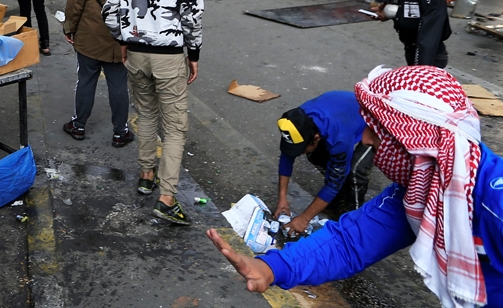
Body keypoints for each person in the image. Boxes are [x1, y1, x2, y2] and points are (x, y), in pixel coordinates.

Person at [208, 65, 503, 308]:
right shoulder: (420, 191)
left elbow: (338, 190)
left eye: (377, 130)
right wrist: (273, 268)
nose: (364, 139)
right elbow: (349, 242)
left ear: (417, 141)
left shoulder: (496, 204)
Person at [102, 0, 203, 225]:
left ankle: (147, 176)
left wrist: (122, 40)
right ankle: (167, 198)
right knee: (174, 127)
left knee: (145, 114)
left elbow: (109, 10)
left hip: (135, 52)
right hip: (169, 56)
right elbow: (193, 17)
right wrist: (194, 54)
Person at [62, 0, 138, 147]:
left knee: (86, 79)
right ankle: (120, 132)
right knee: (118, 82)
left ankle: (79, 125)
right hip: (120, 34)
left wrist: (70, 27)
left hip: (90, 31)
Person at [273, 91, 374, 235]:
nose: (300, 153)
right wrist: (282, 199)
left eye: (302, 148)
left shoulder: (339, 138)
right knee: (315, 155)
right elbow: (286, 158)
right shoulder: (296, 123)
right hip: (340, 109)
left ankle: (352, 220)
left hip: (370, 118)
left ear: (316, 137)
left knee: (356, 170)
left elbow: (334, 182)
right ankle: (335, 201)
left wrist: (304, 219)